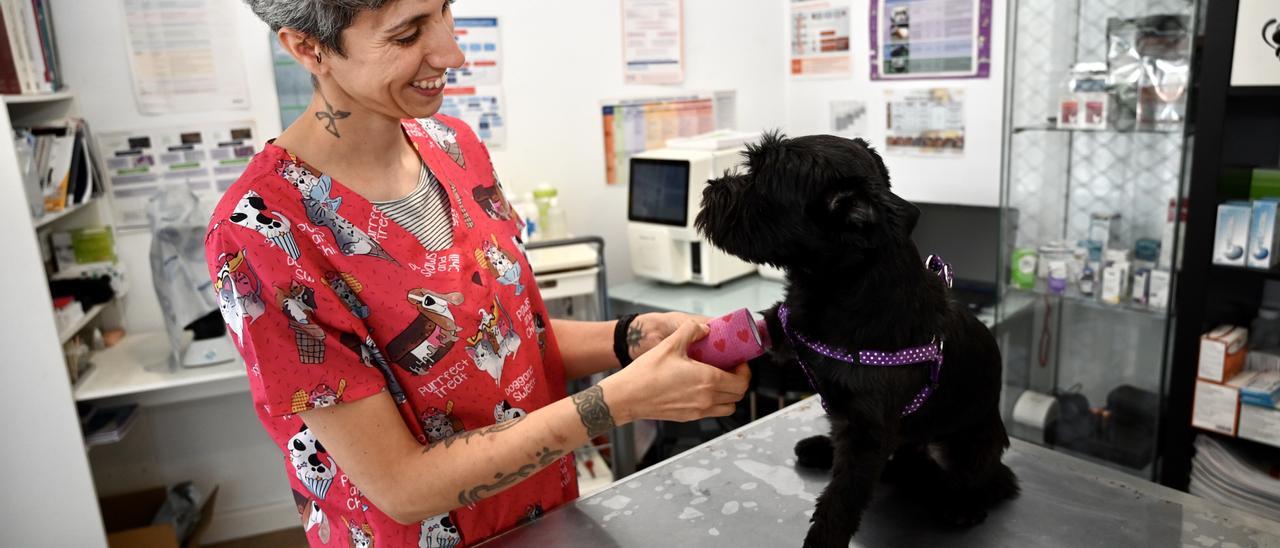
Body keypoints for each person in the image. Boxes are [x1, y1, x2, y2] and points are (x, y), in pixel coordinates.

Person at [205, 1, 751, 546]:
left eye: (444, 10)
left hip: (550, 517)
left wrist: (628, 337)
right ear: (308, 48)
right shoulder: (260, 234)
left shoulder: (454, 147)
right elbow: (402, 486)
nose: (452, 52)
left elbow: (497, 332)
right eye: (407, 34)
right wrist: (618, 402)